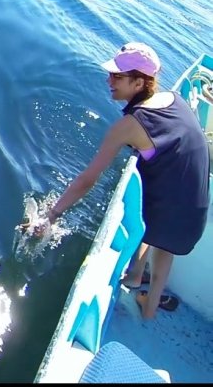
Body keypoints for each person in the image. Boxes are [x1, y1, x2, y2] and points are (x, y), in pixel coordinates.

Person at [24, 42, 210, 320]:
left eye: (117, 77)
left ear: (139, 82)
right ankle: (146, 298)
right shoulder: (174, 99)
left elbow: (88, 179)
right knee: (163, 244)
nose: (109, 81)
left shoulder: (129, 125)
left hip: (169, 221)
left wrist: (52, 215)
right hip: (195, 218)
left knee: (150, 219)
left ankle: (140, 287)